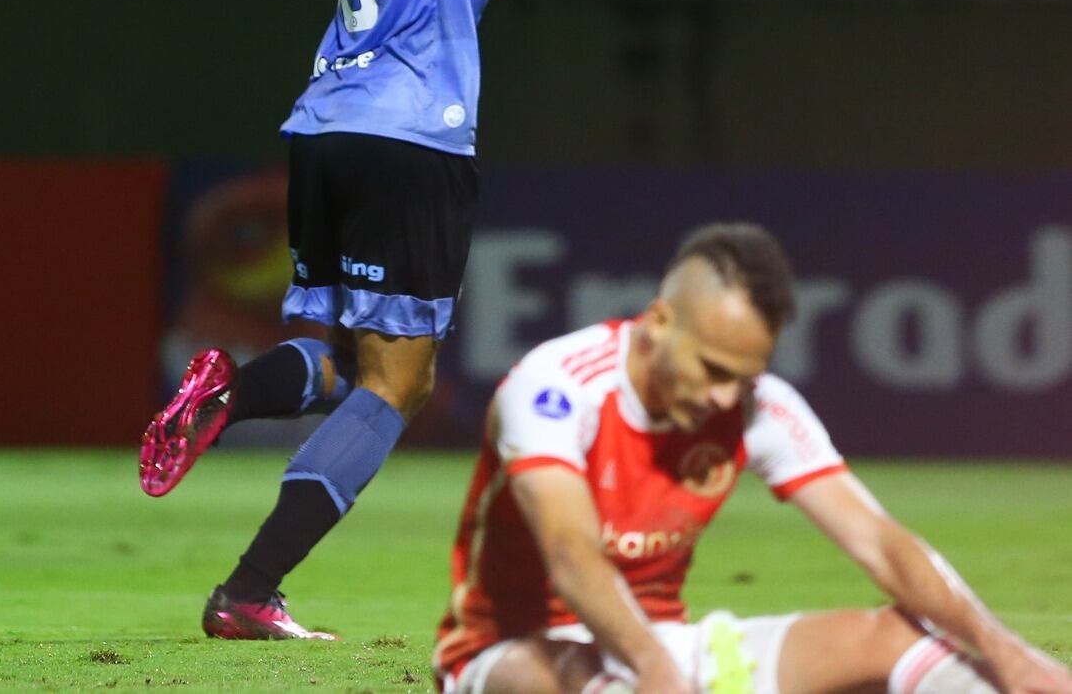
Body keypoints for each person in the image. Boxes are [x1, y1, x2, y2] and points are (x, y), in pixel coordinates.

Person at [139, 0, 533, 640]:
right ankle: (250, 592)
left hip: (331, 122)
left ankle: (229, 396)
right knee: (398, 383)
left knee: (344, 363)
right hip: (408, 131)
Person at [434, 224, 1072, 694]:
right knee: (573, 676)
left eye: (744, 376)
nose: (724, 396)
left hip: (665, 653)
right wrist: (654, 669)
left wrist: (1006, 650)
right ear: (658, 322)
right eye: (712, 370)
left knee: (908, 640)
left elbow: (881, 543)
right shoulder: (555, 386)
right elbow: (572, 556)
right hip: (511, 658)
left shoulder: (757, 408)